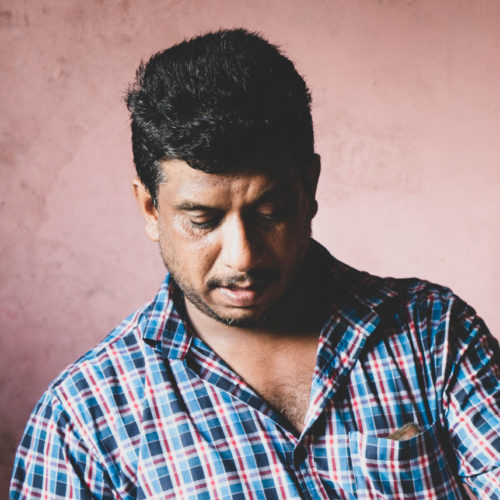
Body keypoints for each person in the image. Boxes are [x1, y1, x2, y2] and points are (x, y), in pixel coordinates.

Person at [10, 28, 500, 499]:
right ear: (150, 209)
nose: (243, 256)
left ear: (309, 188)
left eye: (269, 213)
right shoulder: (82, 420)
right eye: (202, 220)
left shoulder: (434, 333)